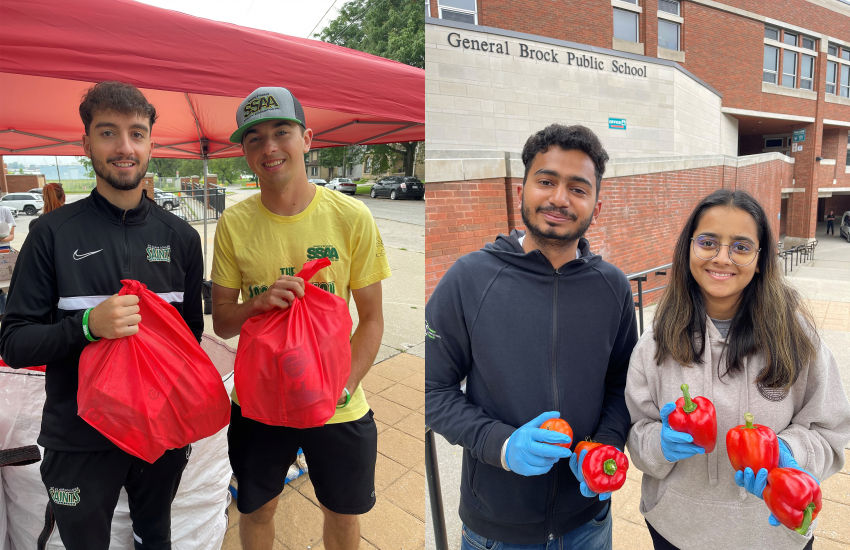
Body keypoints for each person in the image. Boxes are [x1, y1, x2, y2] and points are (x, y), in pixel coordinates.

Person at [0, 81, 204, 550]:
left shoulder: (181, 238)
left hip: (159, 432)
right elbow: (13, 343)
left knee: (154, 537)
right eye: (108, 133)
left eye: (137, 133)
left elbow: (188, 337)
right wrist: (89, 327)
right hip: (78, 438)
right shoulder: (51, 234)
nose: (125, 147)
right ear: (86, 143)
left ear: (152, 143)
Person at [425, 124, 638, 549]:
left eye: (578, 188)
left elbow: (622, 385)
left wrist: (605, 446)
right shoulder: (469, 279)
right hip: (496, 530)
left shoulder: (612, 286)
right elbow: (432, 391)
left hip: (589, 523)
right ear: (522, 189)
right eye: (546, 181)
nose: (559, 198)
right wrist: (501, 445)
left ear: (596, 207)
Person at [211, 87, 390, 550]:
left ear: (307, 138)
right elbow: (224, 323)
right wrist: (259, 303)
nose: (269, 147)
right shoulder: (234, 223)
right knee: (256, 509)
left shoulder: (351, 216)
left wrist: (343, 385)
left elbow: (371, 319)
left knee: (343, 514)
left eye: (281, 132)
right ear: (245, 152)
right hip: (260, 403)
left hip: (338, 406)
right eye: (254, 139)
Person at [625, 189, 850, 550]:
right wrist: (658, 444)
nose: (722, 257)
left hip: (774, 533)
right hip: (678, 529)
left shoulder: (796, 337)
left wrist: (794, 453)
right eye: (708, 242)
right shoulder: (655, 344)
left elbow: (832, 428)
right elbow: (637, 434)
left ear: (760, 260)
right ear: (689, 249)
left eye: (741, 247)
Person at [0, 203, 16, 316]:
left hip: (3, 253)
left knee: (3, 289)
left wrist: (2, 239)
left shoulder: (4, 211)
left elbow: (11, 235)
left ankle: (3, 315)